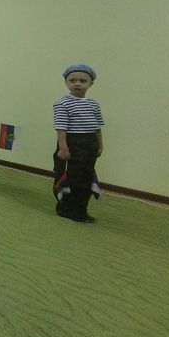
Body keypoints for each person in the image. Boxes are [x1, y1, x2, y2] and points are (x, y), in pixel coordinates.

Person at [53, 64, 104, 223]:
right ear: (66, 82)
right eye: (72, 80)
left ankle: (81, 210)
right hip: (72, 144)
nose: (77, 83)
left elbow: (97, 127)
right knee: (72, 179)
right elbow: (61, 128)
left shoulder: (94, 104)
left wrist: (100, 145)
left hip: (90, 144)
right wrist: (63, 148)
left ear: (91, 83)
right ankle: (66, 210)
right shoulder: (62, 103)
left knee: (86, 178)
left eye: (83, 81)